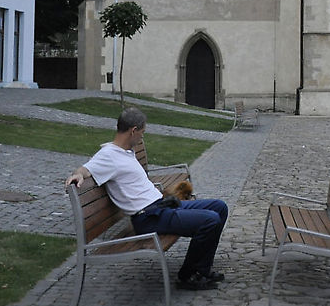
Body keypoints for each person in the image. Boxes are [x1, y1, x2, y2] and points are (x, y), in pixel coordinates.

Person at [65, 107, 229, 291]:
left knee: (219, 207)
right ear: (133, 131)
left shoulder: (126, 151)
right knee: (210, 220)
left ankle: (202, 269)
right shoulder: (108, 155)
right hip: (148, 218)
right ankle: (188, 276)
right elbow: (86, 169)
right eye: (142, 133)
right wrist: (78, 174)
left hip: (160, 206)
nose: (142, 138)